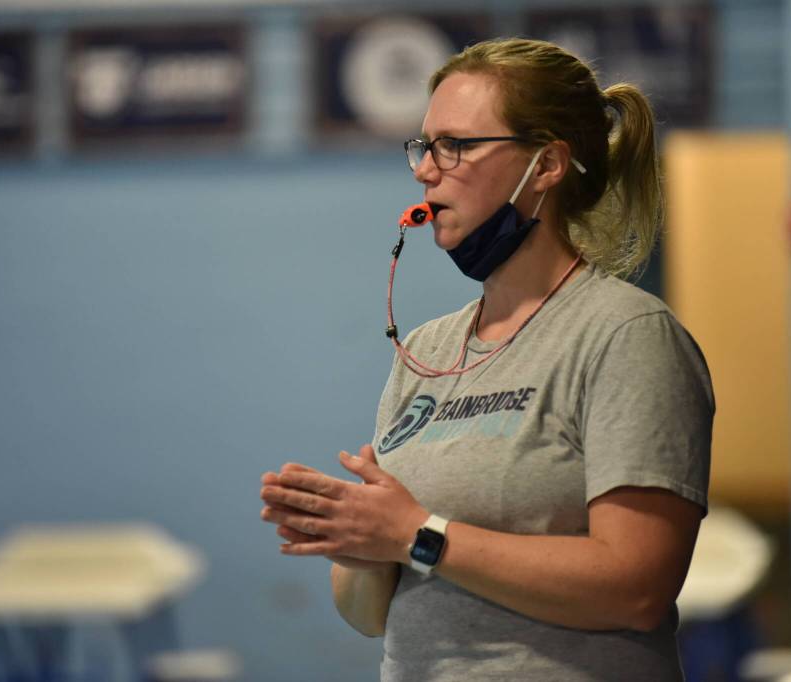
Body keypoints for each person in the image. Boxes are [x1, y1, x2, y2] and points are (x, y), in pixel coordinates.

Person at [259, 37, 713, 681]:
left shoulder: (626, 335)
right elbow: (370, 615)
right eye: (423, 146)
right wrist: (362, 543)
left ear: (548, 164)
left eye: (456, 146)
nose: (425, 170)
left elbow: (637, 588)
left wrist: (419, 536)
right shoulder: (427, 351)